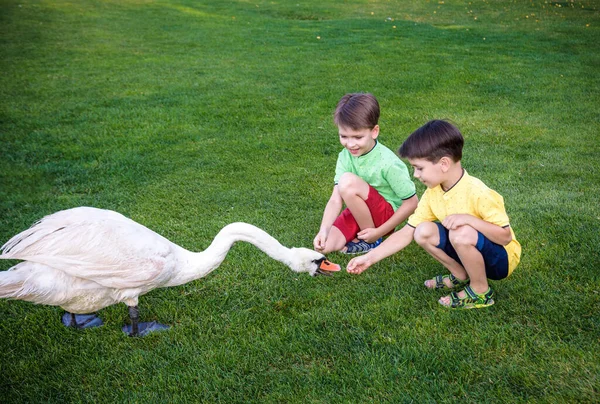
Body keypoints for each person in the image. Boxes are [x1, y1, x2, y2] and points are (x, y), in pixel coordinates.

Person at [346, 119, 521, 309]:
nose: (415, 175)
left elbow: (505, 237)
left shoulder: (478, 192)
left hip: (501, 260)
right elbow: (407, 232)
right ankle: (459, 274)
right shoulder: (433, 193)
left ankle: (480, 291)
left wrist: (469, 220)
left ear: (444, 164)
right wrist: (369, 258)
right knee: (422, 231)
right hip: (467, 246)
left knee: (460, 231)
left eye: (419, 168)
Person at [313, 93, 418, 255]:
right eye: (344, 136)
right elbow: (335, 199)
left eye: (358, 137)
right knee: (324, 246)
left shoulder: (388, 162)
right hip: (360, 211)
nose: (350, 144)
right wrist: (323, 230)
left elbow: (412, 203)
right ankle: (363, 233)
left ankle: (372, 240)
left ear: (374, 131)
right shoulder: (345, 156)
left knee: (346, 182)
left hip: (385, 217)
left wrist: (379, 231)